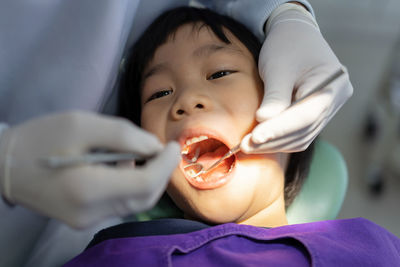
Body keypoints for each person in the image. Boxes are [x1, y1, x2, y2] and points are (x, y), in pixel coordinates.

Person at [0, 1, 353, 266]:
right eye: (159, 93)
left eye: (220, 73)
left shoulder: (368, 247)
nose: (186, 101)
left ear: (288, 101)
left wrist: (286, 10)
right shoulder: (116, 256)